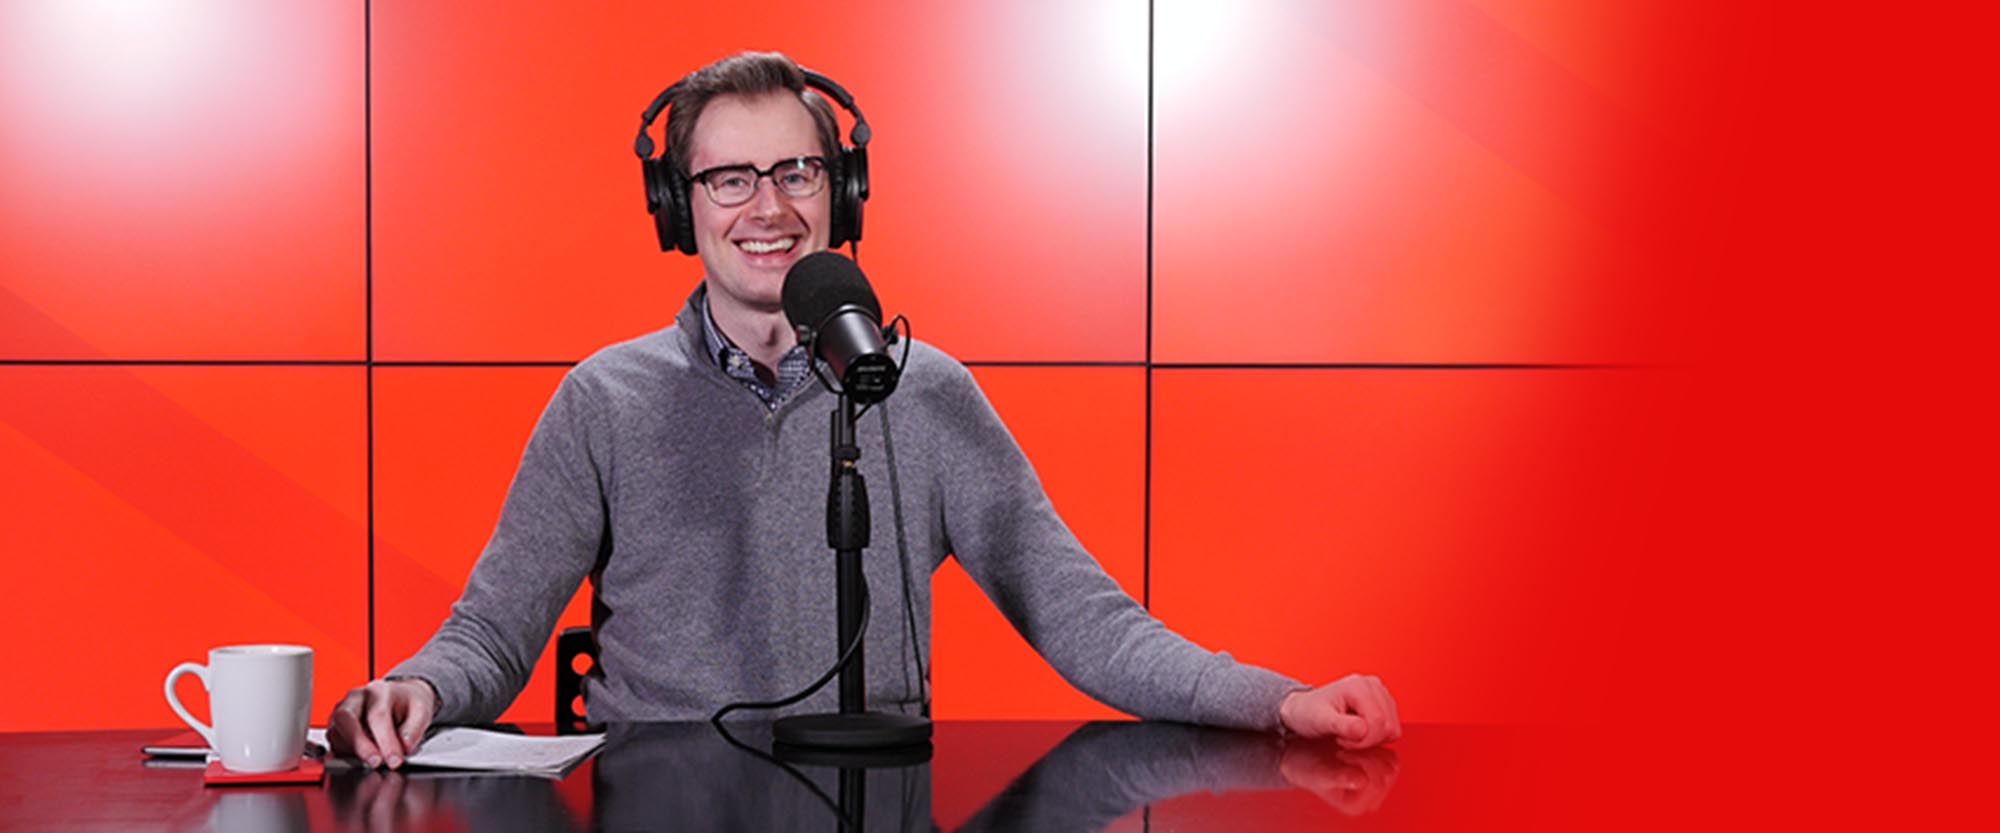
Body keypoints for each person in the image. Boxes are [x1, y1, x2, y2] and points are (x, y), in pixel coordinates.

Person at [328, 51, 1399, 770]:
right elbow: (494, 630)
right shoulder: (603, 399)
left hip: (875, 797)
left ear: (841, 191)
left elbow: (1081, 615)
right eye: (729, 178)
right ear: (677, 208)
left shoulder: (924, 391)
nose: (768, 206)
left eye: (797, 170)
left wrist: (1277, 700)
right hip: (658, 802)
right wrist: (417, 688)